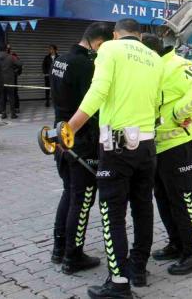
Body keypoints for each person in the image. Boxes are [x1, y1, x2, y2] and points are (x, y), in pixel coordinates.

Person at [66, 18, 163, 298]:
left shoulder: (109, 49)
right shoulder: (154, 58)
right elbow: (157, 102)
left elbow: (98, 92)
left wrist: (69, 128)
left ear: (115, 34)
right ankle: (138, 270)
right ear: (140, 36)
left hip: (117, 147)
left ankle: (118, 283)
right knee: (143, 208)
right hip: (147, 145)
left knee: (113, 214)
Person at [142, 34, 192, 275]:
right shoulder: (152, 69)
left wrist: (176, 115)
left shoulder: (176, 65)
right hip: (159, 146)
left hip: (181, 144)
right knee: (163, 197)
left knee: (184, 199)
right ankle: (177, 243)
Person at [51, 23, 114, 274]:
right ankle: (73, 255)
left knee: (69, 193)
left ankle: (59, 248)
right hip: (83, 141)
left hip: (62, 135)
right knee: (83, 198)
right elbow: (92, 106)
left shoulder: (61, 59)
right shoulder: (87, 66)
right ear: (97, 43)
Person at [0, 45, 22, 119]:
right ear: (6, 49)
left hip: (0, 81)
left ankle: (3, 113)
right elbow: (19, 64)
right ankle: (13, 114)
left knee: (2, 97)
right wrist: (15, 70)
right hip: (10, 81)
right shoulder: (11, 57)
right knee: (11, 97)